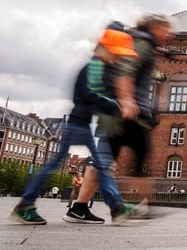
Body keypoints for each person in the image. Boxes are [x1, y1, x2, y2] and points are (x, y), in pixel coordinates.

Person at [11, 29, 143, 225]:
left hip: (81, 124)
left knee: (99, 166)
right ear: (106, 49)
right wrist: (116, 105)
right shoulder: (95, 66)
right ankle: (25, 205)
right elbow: (90, 94)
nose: (118, 56)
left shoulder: (98, 67)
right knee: (54, 166)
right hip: (77, 124)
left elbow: (92, 95)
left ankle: (116, 206)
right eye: (116, 52)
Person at [75, 14, 173, 217]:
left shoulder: (142, 41)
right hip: (125, 113)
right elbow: (127, 70)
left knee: (102, 160)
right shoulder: (142, 43)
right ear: (155, 27)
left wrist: (161, 51)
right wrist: (127, 100)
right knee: (131, 155)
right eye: (166, 30)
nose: (169, 34)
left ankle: (80, 206)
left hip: (118, 111)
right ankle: (126, 207)